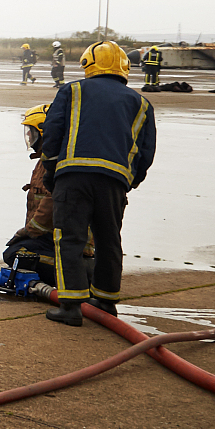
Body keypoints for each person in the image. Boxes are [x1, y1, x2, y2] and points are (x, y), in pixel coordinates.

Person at [38, 42, 156, 326]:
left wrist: (50, 170)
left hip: (73, 175)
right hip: (114, 181)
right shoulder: (141, 103)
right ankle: (105, 300)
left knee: (69, 238)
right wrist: (128, 182)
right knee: (109, 240)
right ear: (123, 66)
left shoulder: (72, 90)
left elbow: (52, 132)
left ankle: (70, 306)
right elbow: (145, 151)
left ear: (88, 63)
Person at [2, 103, 59, 283]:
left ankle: (72, 271)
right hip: (53, 238)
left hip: (63, 242)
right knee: (17, 251)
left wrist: (28, 231)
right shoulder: (45, 161)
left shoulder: (54, 163)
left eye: (32, 132)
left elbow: (51, 202)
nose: (28, 136)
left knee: (16, 255)